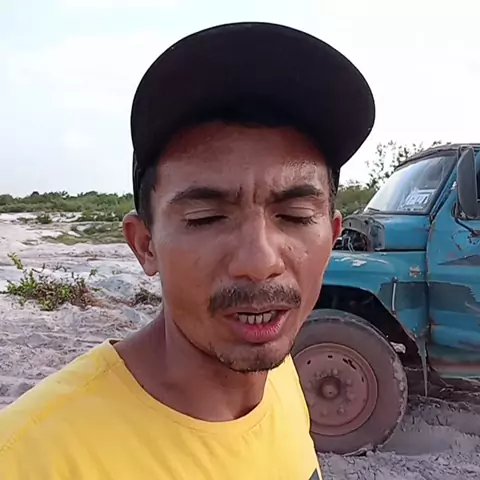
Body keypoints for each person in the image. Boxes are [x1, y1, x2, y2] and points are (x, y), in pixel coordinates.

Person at [0, 22, 374, 479]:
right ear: (145, 245)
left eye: (295, 216)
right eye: (206, 218)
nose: (259, 262)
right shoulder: (29, 458)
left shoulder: (279, 374)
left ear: (332, 237)